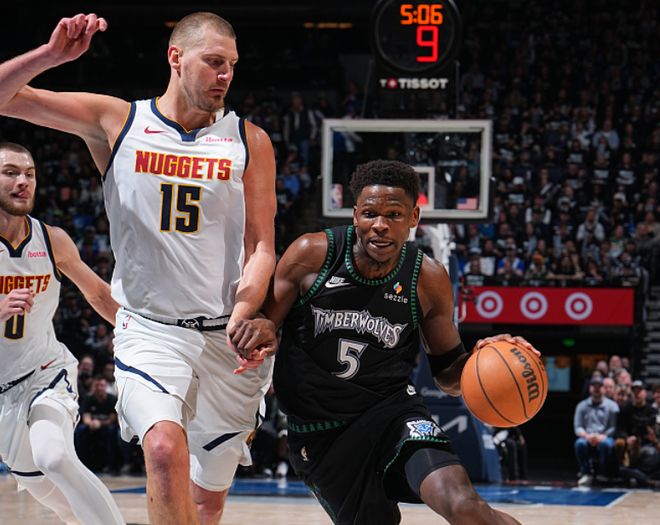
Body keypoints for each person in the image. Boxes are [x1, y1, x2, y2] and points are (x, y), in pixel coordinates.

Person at [0, 13, 277, 524]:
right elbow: (5, 97)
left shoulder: (249, 140)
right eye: (214, 62)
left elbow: (261, 245)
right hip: (151, 329)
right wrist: (50, 56)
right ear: (176, 58)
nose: (226, 75)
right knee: (164, 451)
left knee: (206, 501)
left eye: (232, 65)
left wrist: (246, 309)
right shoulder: (119, 122)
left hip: (225, 333)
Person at [239, 160, 529, 524]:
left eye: (394, 215)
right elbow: (266, 321)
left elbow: (448, 377)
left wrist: (485, 359)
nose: (380, 224)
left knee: (464, 505)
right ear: (355, 214)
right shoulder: (312, 254)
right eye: (370, 214)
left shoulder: (427, 278)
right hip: (322, 433)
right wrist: (262, 330)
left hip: (393, 415)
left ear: (413, 218)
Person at [0, 142, 124, 524]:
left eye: (30, 174)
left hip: (45, 372)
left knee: (52, 455)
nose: (23, 182)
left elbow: (97, 293)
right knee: (48, 492)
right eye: (10, 173)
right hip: (3, 394)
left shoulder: (51, 239)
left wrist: (141, 333)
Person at [573, 376, 619, 486]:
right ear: (590, 388)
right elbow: (578, 426)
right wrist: (586, 436)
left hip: (604, 437)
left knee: (606, 444)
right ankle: (586, 473)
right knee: (579, 444)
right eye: (594, 386)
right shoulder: (581, 406)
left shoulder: (612, 406)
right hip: (587, 436)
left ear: (604, 388)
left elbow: (613, 427)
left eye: (599, 386)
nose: (597, 389)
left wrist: (602, 437)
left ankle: (602, 473)